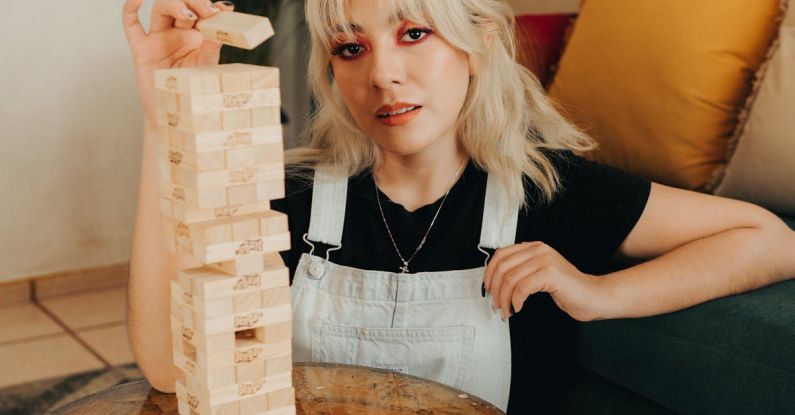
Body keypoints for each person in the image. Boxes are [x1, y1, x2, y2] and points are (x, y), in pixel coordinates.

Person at [122, 0, 795, 412]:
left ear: (479, 45)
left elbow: (768, 238)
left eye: (413, 34)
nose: (382, 74)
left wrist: (597, 293)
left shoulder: (544, 192)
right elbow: (166, 366)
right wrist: (162, 119)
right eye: (351, 48)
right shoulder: (288, 198)